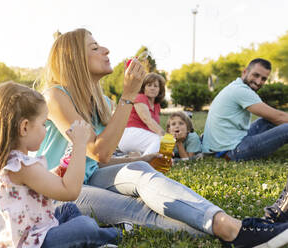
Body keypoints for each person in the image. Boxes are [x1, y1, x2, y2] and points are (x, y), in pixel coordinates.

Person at [37, 28, 288, 247]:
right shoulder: (56, 96)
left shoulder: (102, 102)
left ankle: (229, 225)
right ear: (74, 59)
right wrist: (130, 95)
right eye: (94, 47)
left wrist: (145, 159)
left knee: (139, 168)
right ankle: (234, 229)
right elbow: (96, 150)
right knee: (135, 209)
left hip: (90, 176)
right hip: (59, 189)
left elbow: (98, 162)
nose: (106, 49)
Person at [0, 82, 121, 248]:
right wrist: (79, 145)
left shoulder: (5, 161)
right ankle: (114, 235)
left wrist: (61, 169)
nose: (46, 130)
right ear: (24, 127)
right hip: (32, 244)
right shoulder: (22, 166)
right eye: (43, 124)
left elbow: (39, 184)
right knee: (85, 225)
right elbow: (70, 191)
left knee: (68, 210)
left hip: (26, 233)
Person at [202, 58, 288, 161]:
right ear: (245, 72)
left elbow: (274, 116)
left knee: (267, 121)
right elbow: (279, 117)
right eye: (255, 75)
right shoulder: (241, 91)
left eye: (263, 79)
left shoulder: (237, 86)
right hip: (231, 151)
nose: (258, 82)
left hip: (228, 143)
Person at [118, 72, 166, 155]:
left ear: (160, 90)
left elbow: (154, 128)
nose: (152, 88)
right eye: (149, 85)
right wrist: (165, 135)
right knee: (160, 140)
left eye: (155, 86)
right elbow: (147, 119)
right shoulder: (140, 97)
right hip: (130, 134)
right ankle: (145, 163)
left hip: (141, 137)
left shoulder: (156, 105)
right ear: (144, 88)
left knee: (161, 145)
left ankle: (137, 159)